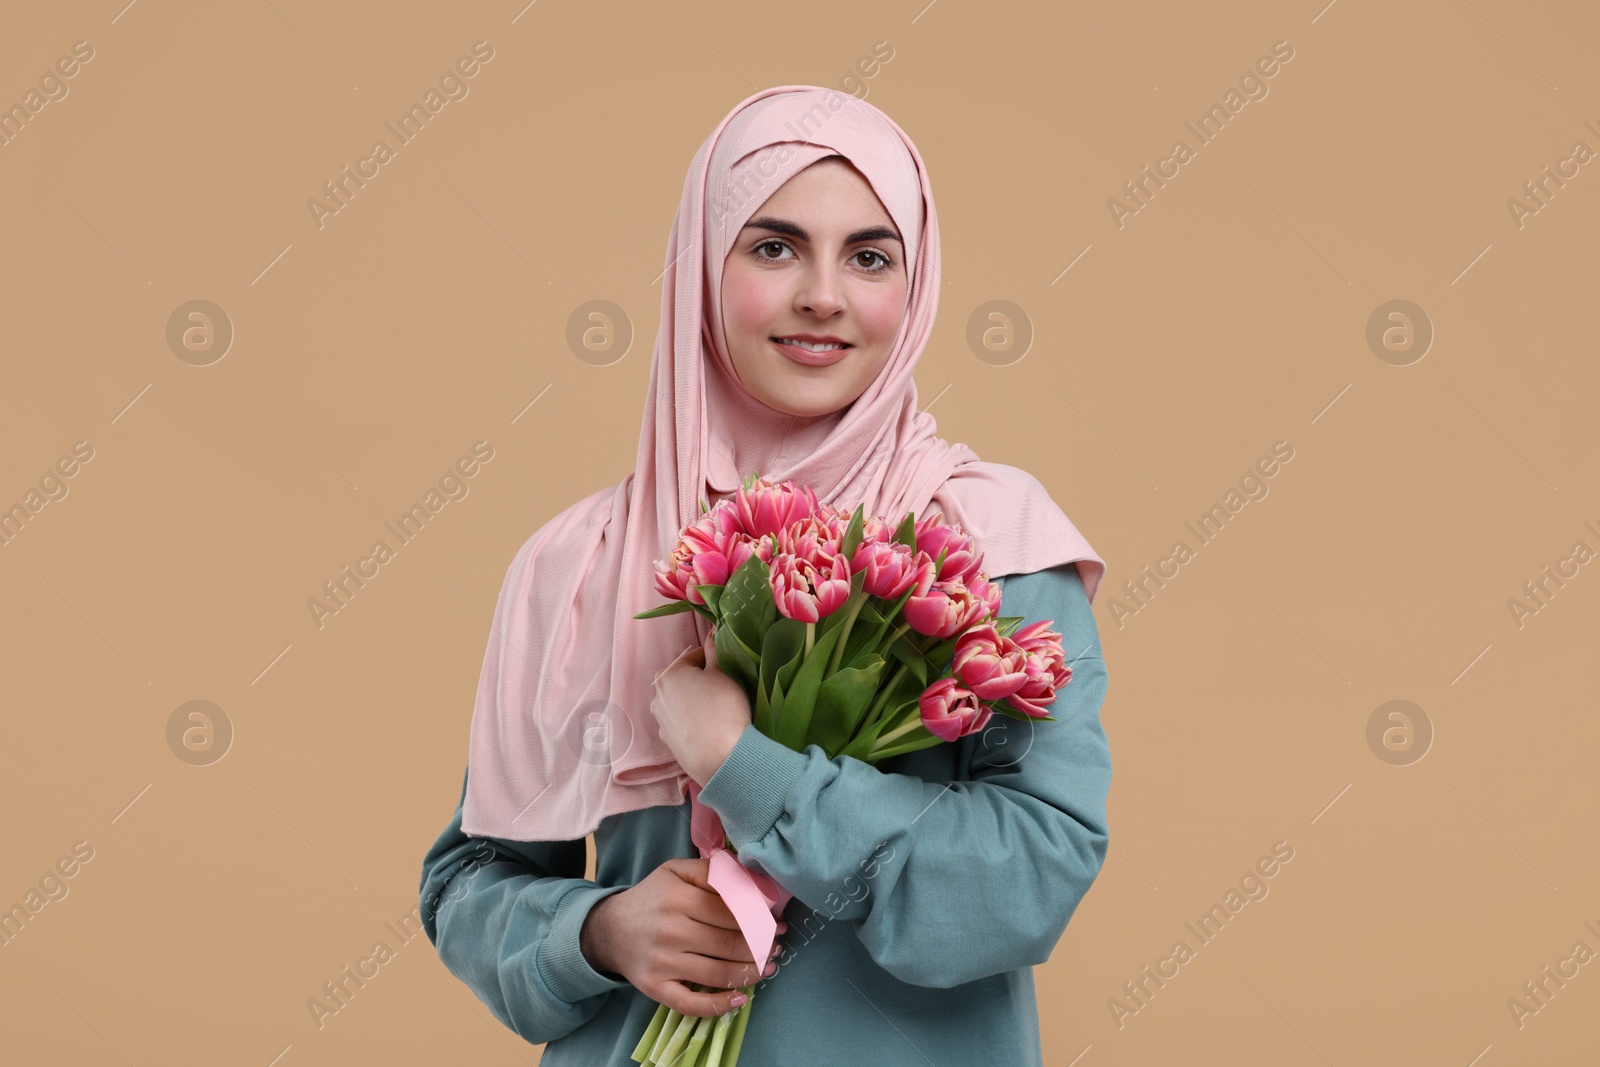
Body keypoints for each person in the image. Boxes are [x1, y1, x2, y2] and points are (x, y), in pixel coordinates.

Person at [419, 85, 1112, 1065]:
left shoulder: (987, 546)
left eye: (868, 255)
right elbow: (471, 878)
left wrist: (751, 770)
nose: (821, 295)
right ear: (702, 269)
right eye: (773, 246)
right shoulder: (581, 566)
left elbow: (1031, 875)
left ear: (911, 289)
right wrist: (597, 929)